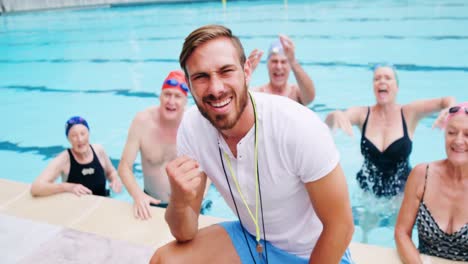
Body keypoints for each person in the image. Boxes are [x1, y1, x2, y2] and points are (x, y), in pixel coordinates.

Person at [150, 24, 354, 264]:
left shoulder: (297, 126)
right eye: (201, 77)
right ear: (189, 83)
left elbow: (341, 226)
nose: (216, 88)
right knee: (164, 260)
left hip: (312, 252)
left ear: (246, 72)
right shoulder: (192, 128)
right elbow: (184, 233)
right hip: (251, 240)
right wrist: (180, 200)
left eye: (226, 71)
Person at [325, 64, 456, 198]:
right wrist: (335, 114)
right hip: (368, 194)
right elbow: (331, 122)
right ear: (373, 87)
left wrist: (449, 110)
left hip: (401, 193)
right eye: (377, 79)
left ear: (397, 87)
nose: (382, 81)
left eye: (388, 78)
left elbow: (446, 101)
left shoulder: (409, 113)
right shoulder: (362, 114)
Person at [395, 102, 468, 263]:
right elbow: (401, 232)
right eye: (452, 132)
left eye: (467, 134)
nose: (458, 140)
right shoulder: (423, 175)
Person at [118, 70, 189, 220]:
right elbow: (124, 167)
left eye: (177, 96)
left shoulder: (193, 124)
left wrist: (199, 197)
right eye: (167, 94)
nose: (171, 101)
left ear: (185, 101)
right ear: (160, 96)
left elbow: (210, 163)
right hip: (151, 203)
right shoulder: (142, 121)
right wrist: (138, 195)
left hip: (187, 205)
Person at [31, 116, 122, 197]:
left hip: (102, 202)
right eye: (74, 136)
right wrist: (67, 187)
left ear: (88, 133)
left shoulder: (99, 150)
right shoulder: (64, 159)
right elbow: (36, 188)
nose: (80, 139)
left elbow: (110, 172)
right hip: (76, 209)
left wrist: (115, 179)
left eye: (83, 134)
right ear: (68, 139)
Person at [248, 35, 316, 105]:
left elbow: (310, 98)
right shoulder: (258, 94)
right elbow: (240, 102)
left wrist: (293, 61)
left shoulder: (296, 93)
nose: (279, 67)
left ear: (290, 66)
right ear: (267, 65)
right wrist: (247, 73)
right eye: (274, 61)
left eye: (283, 62)